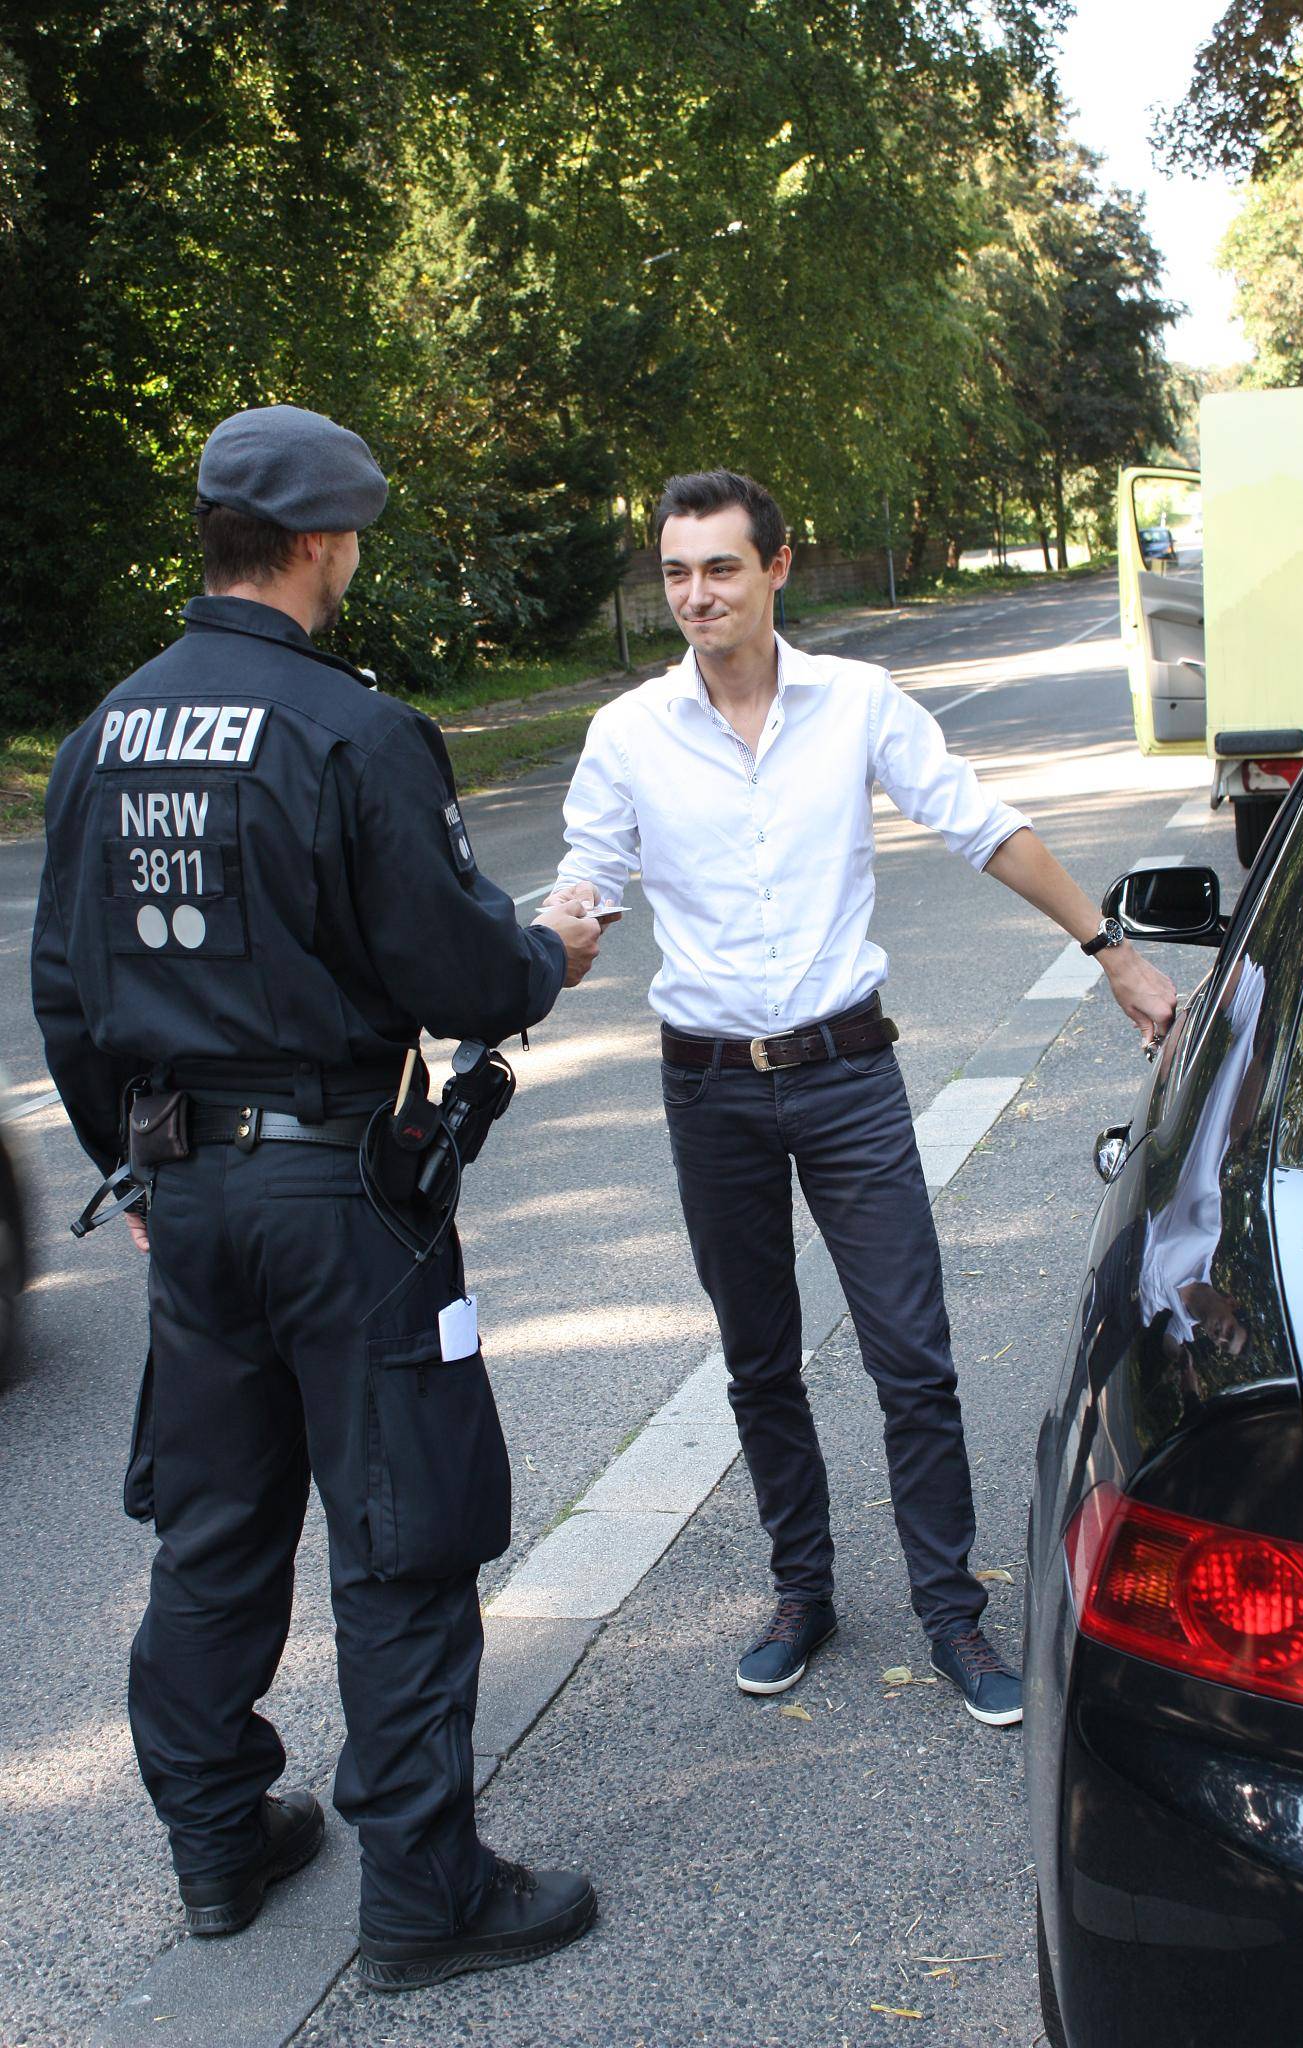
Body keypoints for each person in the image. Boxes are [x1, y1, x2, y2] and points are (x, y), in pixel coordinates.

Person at [31, 404, 601, 1991]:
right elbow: (453, 964)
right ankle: (425, 1895)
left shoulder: (105, 734)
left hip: (190, 1195)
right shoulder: (352, 732)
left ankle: (219, 1842)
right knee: (402, 1533)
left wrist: (134, 1170)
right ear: (325, 542)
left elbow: (68, 995)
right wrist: (546, 951)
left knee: (214, 1531)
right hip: (350, 1197)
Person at [544, 469, 1177, 1727]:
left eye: (720, 567)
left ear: (776, 568)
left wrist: (1113, 948)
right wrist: (540, 942)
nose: (696, 594)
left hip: (848, 1078)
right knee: (758, 1360)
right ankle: (802, 1591)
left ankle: (951, 1611)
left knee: (912, 1355)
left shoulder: (857, 701)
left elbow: (982, 827)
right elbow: (588, 880)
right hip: (709, 1086)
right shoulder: (629, 731)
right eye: (676, 571)